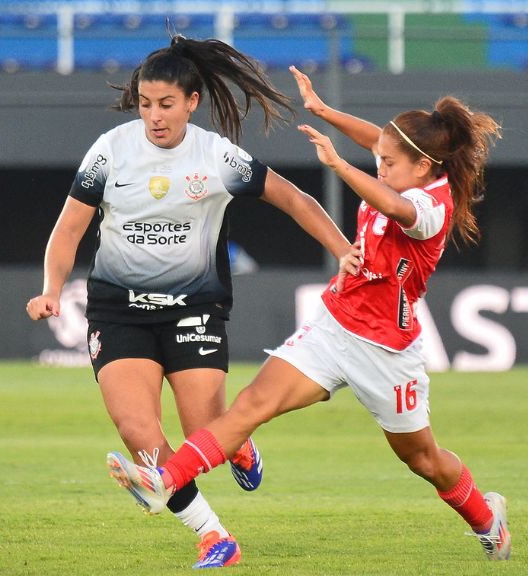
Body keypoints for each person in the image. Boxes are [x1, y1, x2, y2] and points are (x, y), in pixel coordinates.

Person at [106, 65, 510, 562]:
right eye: (377, 158)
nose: (378, 164)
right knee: (251, 406)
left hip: (386, 351)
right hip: (334, 325)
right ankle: (163, 481)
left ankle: (488, 522)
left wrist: (341, 165)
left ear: (423, 167)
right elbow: (385, 144)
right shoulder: (407, 162)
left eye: (387, 162)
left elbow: (393, 202)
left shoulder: (431, 208)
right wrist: (325, 111)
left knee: (424, 460)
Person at [26, 37, 351, 569]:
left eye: (166, 104)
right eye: (146, 104)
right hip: (117, 311)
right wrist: (50, 289)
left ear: (192, 102)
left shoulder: (217, 156)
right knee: (139, 433)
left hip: (193, 308)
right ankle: (213, 536)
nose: (154, 116)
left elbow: (294, 198)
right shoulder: (110, 149)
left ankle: (237, 443)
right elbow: (69, 229)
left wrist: (342, 249)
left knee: (206, 430)